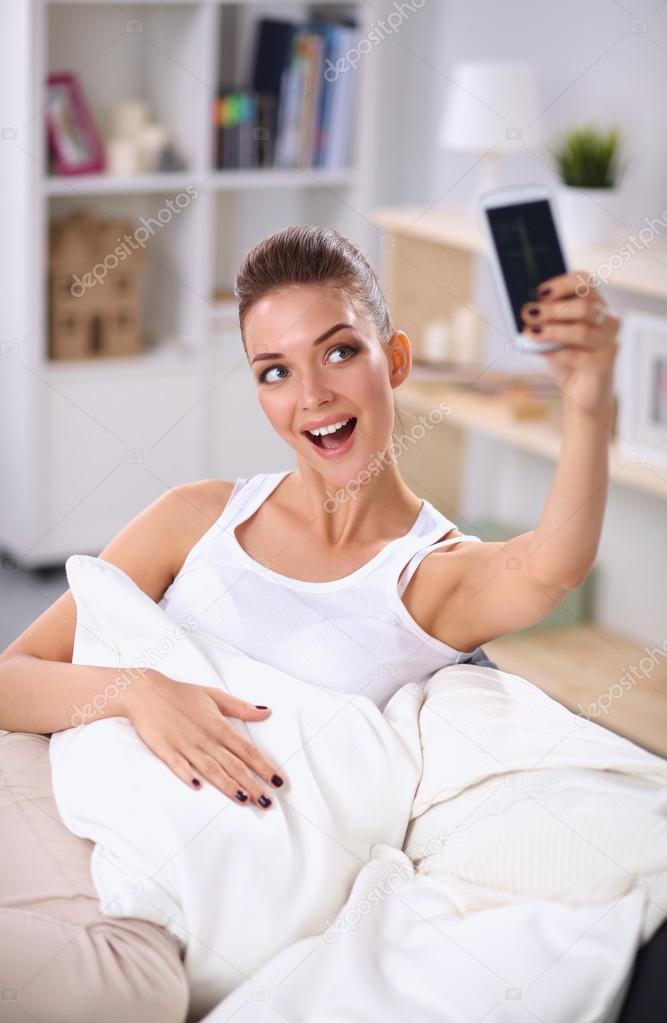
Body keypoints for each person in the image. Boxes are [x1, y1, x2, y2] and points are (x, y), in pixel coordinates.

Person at [0, 225, 621, 1023]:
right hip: (42, 798)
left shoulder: (427, 577)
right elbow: (12, 679)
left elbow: (551, 565)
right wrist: (137, 690)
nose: (312, 397)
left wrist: (587, 398)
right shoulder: (196, 517)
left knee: (134, 989)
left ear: (392, 360)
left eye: (337, 352)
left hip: (151, 899)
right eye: (275, 371)